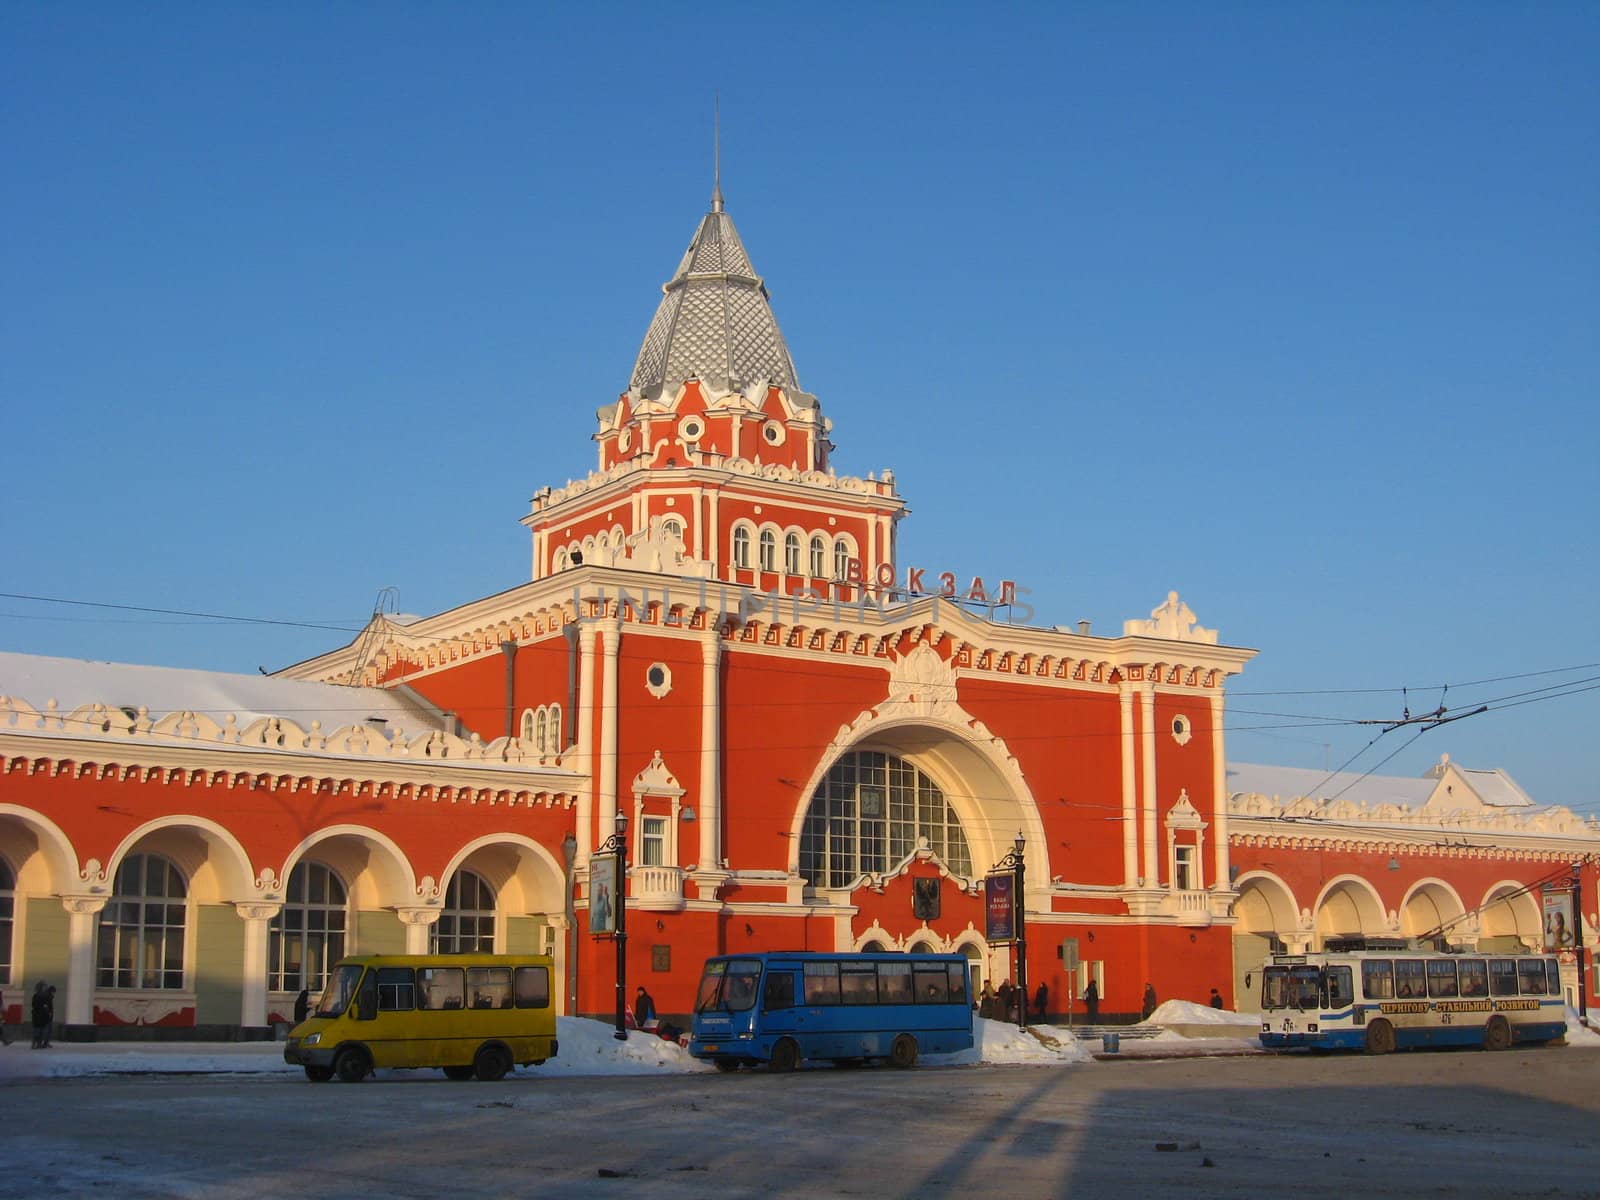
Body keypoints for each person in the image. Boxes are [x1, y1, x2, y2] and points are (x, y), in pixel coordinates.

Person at [31, 981, 53, 1049]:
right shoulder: (36, 996)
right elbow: (34, 1005)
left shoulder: (45, 996)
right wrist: (44, 1007)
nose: (45, 988)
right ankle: (35, 1043)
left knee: (41, 1031)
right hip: (38, 1015)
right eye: (44, 986)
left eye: (45, 986)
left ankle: (38, 1043)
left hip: (43, 1015)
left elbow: (49, 1005)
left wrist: (48, 1011)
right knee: (37, 1030)